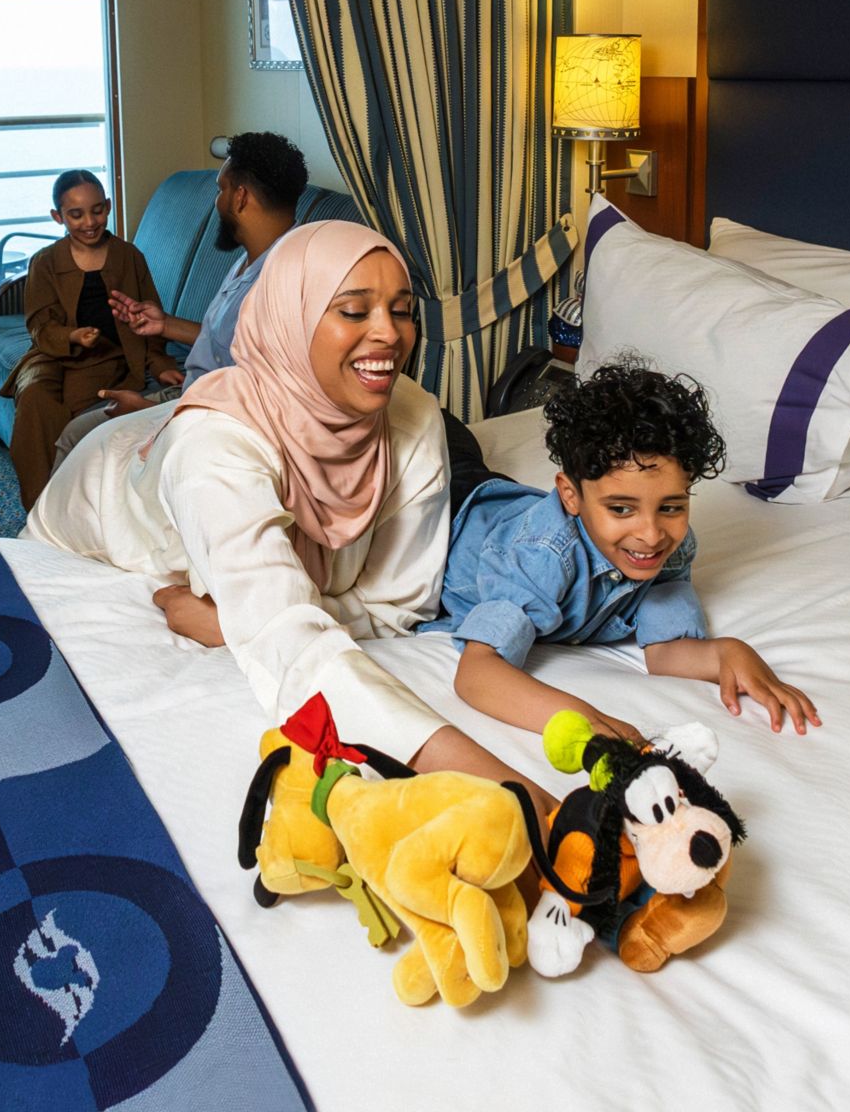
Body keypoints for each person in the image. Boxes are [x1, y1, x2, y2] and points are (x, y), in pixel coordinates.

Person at [27, 220, 553, 806]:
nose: (389, 334)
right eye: (354, 311)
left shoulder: (412, 415)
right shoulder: (213, 451)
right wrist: (520, 796)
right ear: (290, 318)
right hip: (98, 524)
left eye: (401, 310)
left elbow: (404, 602)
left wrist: (230, 621)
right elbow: (293, 646)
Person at [425, 361, 822, 740]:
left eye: (670, 506)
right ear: (570, 496)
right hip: (457, 508)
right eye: (621, 509)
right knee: (429, 429)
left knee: (453, 443)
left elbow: (665, 652)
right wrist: (583, 720)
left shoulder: (672, 546)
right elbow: (476, 674)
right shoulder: (543, 556)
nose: (651, 535)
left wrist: (728, 653)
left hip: (507, 503)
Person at [46, 132, 311, 462]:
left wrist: (149, 412)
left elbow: (259, 391)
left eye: (221, 190)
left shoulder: (285, 278)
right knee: (75, 432)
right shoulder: (249, 259)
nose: (216, 201)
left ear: (240, 198)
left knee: (76, 439)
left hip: (208, 415)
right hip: (190, 394)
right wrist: (165, 325)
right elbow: (232, 341)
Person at [0, 170, 182, 508]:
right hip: (49, 354)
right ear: (58, 217)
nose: (89, 222)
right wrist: (72, 335)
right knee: (35, 397)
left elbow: (149, 314)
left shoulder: (129, 257)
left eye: (97, 210)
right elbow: (40, 324)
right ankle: (38, 506)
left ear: (108, 207)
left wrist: (159, 364)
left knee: (73, 405)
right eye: (76, 214)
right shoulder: (45, 262)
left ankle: (63, 507)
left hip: (106, 356)